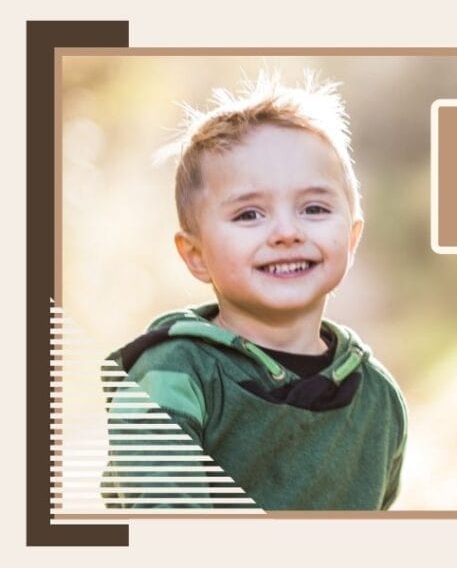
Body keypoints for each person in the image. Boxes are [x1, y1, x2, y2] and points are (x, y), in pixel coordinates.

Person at [103, 73, 406, 510]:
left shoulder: (378, 400)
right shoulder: (171, 375)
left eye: (314, 208)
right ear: (196, 255)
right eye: (249, 215)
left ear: (352, 238)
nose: (286, 231)